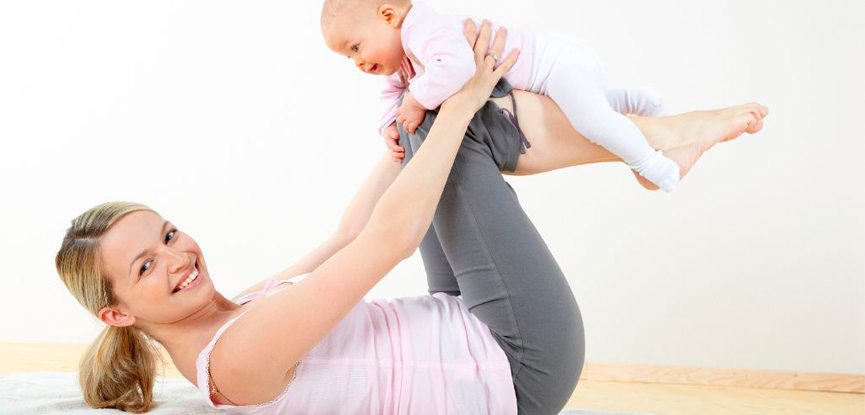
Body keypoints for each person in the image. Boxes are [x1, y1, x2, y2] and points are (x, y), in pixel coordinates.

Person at [55, 23, 767, 415]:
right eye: (147, 266)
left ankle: (647, 144)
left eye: (169, 234)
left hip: (464, 324)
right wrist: (456, 101)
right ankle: (657, 141)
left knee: (431, 131)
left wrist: (405, 130)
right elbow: (387, 240)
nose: (179, 258)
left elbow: (344, 236)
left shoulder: (235, 315)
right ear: (117, 314)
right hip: (517, 365)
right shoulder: (235, 361)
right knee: (458, 126)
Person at [321, 0, 685, 191]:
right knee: (581, 108)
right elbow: (393, 94)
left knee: (589, 121)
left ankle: (649, 163)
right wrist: (389, 124)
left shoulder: (423, 29)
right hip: (550, 78)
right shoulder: (403, 60)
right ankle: (639, 100)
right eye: (348, 57)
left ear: (388, 16)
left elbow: (456, 67)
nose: (357, 62)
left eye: (356, 46)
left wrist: (415, 101)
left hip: (556, 62)